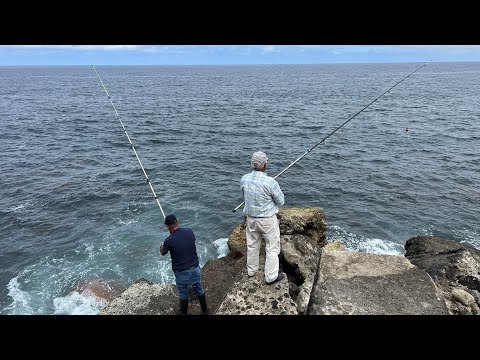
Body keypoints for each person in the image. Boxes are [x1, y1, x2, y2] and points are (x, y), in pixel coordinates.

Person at [240, 151, 286, 285]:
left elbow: (245, 195)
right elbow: (281, 201)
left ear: (252, 164)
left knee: (252, 245)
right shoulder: (270, 182)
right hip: (267, 220)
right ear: (264, 165)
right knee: (272, 247)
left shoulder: (244, 179)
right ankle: (271, 277)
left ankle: (251, 271)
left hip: (251, 219)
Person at [160, 214, 208, 315]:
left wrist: (162, 246)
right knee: (199, 287)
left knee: (183, 292)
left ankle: (183, 312)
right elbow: (190, 241)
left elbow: (163, 253)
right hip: (195, 269)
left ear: (168, 226)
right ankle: (205, 310)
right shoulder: (189, 231)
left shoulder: (169, 240)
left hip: (182, 273)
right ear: (177, 222)